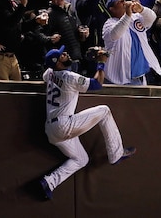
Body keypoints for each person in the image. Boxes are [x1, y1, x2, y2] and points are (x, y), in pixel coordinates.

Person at [39, 45, 136, 200]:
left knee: (81, 159)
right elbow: (97, 84)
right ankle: (116, 154)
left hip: (51, 129)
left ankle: (49, 182)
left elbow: (47, 75)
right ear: (57, 62)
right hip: (64, 125)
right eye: (62, 55)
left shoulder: (49, 73)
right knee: (104, 110)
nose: (65, 53)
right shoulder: (68, 76)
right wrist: (101, 63)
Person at [102, 0, 161, 85]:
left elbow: (152, 18)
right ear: (112, 9)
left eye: (124, 0)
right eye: (120, 1)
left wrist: (141, 9)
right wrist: (128, 14)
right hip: (117, 79)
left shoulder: (135, 18)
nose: (124, 2)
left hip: (140, 76)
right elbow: (116, 34)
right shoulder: (109, 24)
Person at [0, 0, 29, 80]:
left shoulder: (9, 2)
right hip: (0, 57)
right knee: (4, 91)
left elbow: (20, 26)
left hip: (13, 56)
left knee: (18, 90)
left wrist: (36, 22)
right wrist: (23, 5)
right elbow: (10, 23)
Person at [45, 0, 88, 73]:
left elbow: (79, 27)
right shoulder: (49, 15)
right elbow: (42, 37)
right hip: (62, 63)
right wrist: (50, 39)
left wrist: (83, 33)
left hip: (76, 58)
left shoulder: (70, 9)